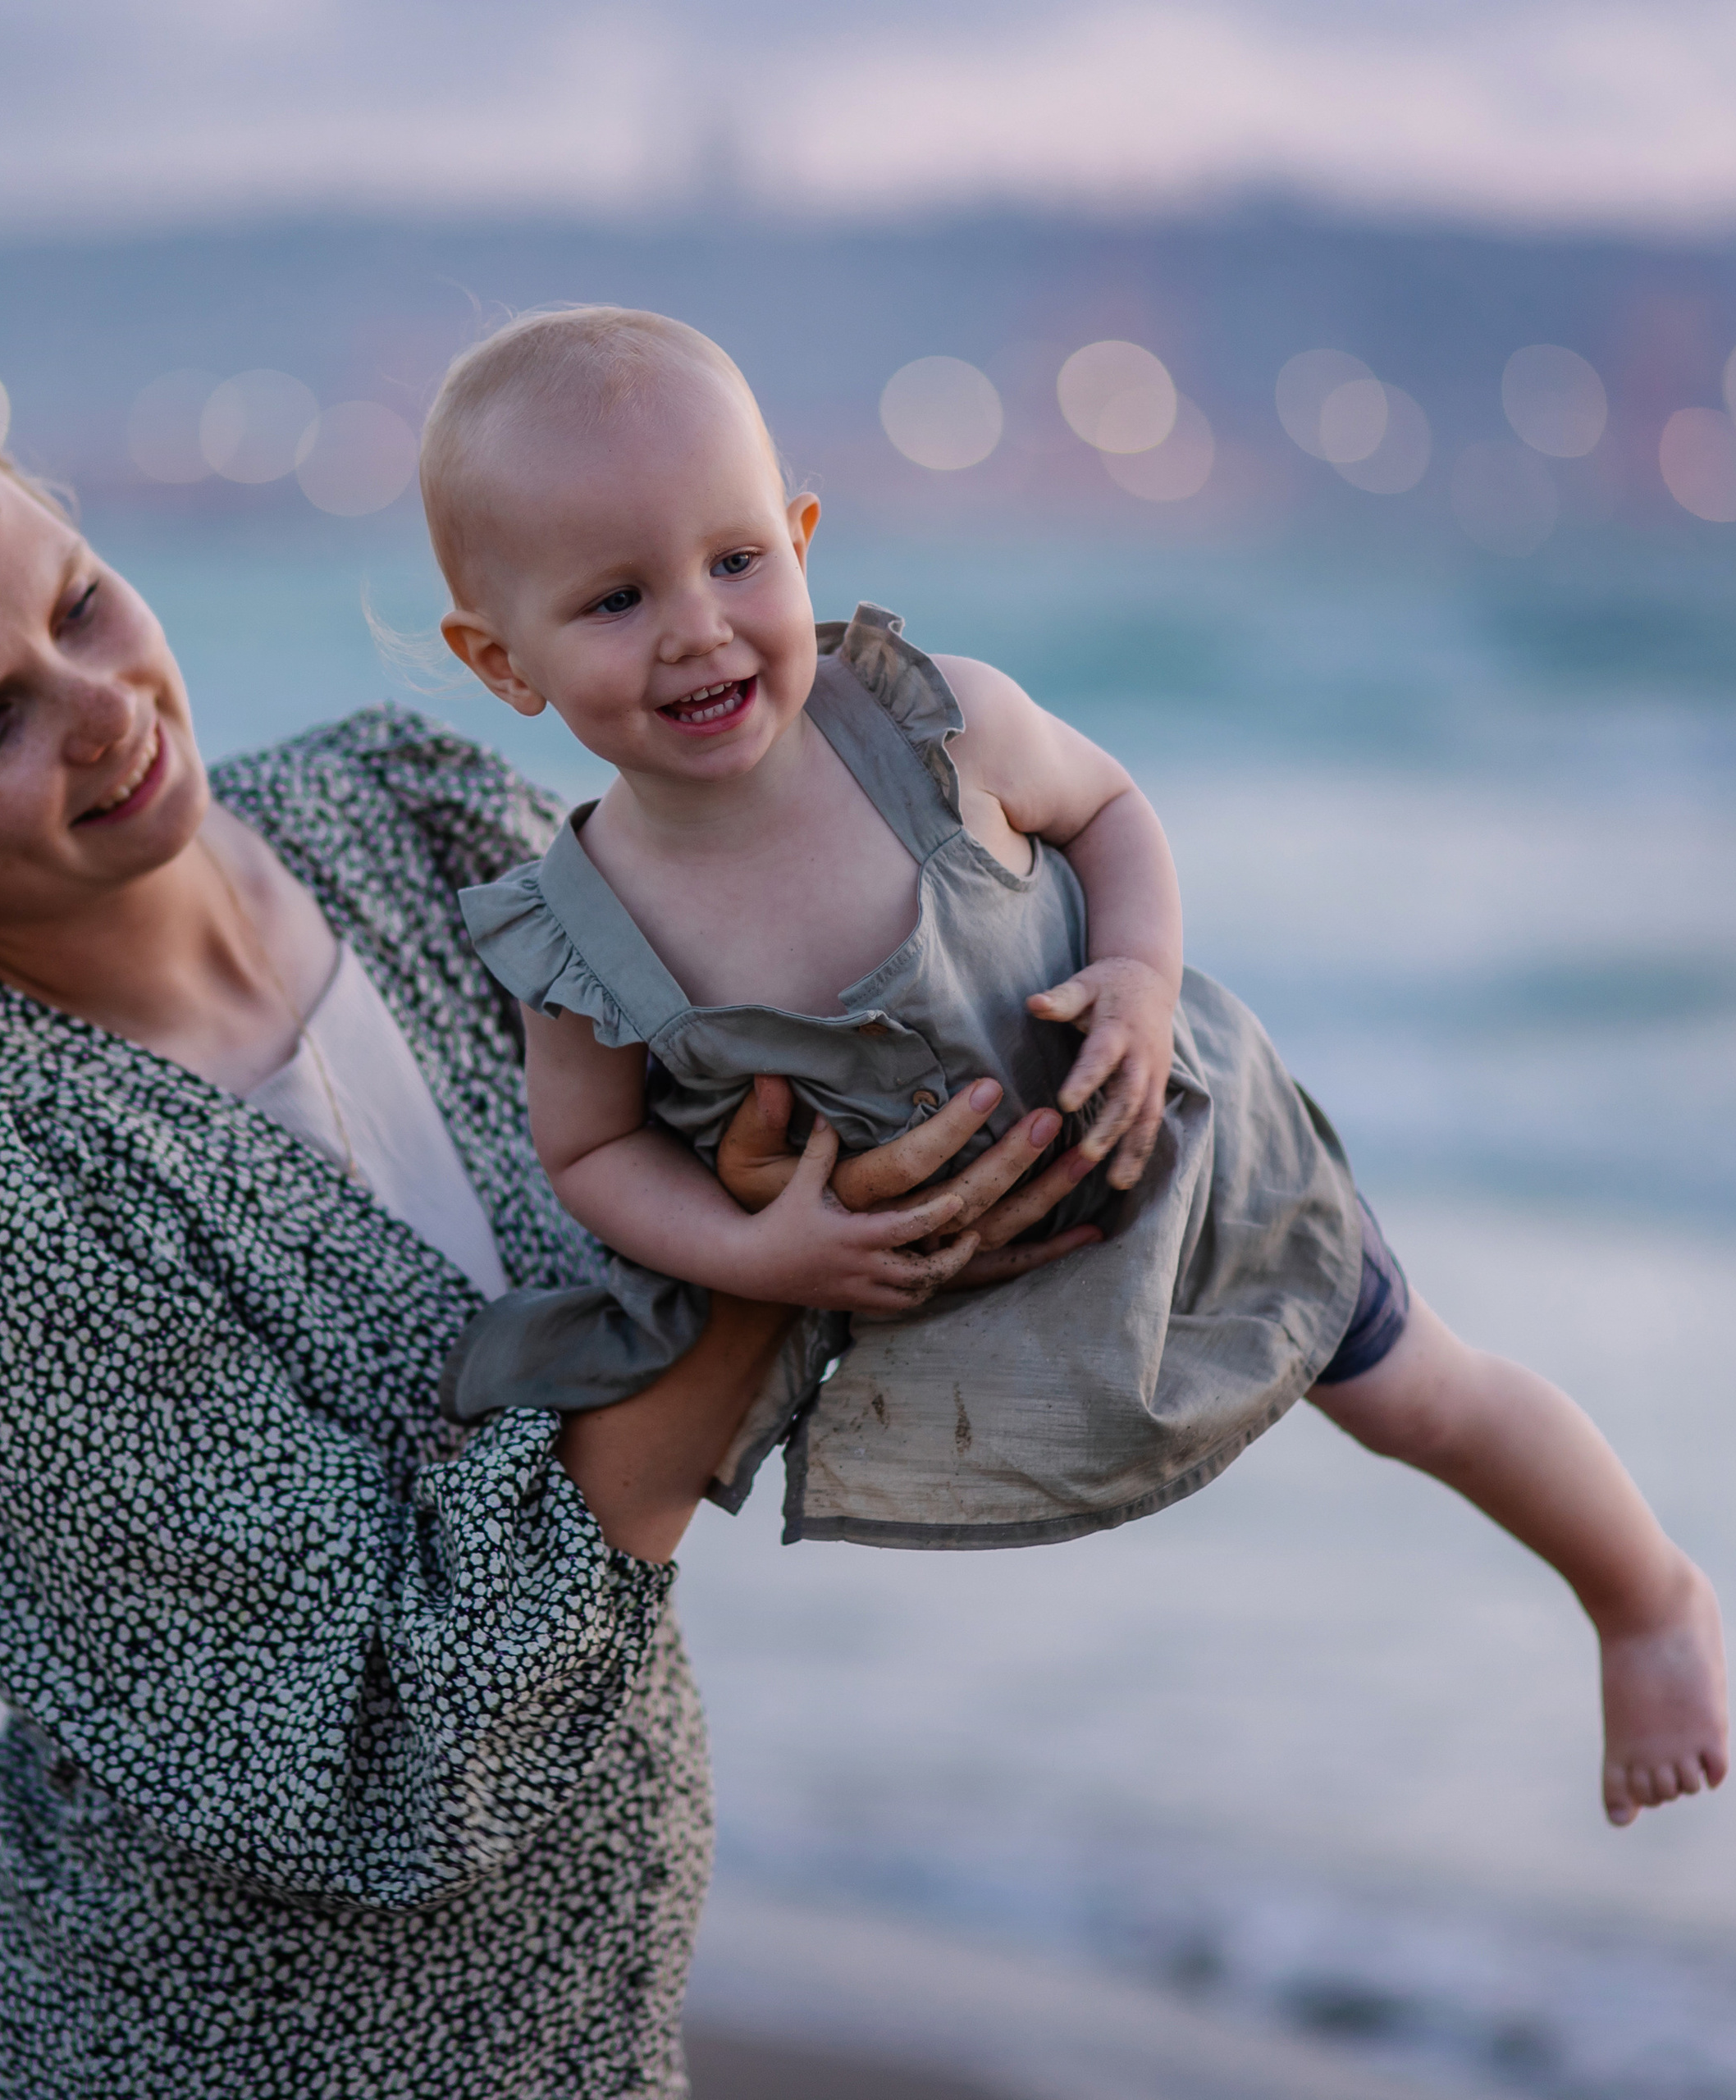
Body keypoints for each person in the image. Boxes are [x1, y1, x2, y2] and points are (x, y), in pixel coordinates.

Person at [0, 393, 1100, 2096]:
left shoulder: (399, 809)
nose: (106, 713)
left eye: (81, 604)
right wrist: (743, 1298)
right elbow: (374, 1748)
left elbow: (748, 1087)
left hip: (589, 2030)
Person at [422, 306, 1726, 1828]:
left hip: (1182, 1147)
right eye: (616, 597)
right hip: (957, 1274)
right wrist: (755, 1252)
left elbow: (1110, 811)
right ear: (499, 660)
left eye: (734, 561)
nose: (699, 627)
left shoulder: (934, 726)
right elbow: (592, 1158)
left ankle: (1647, 1599)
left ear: (801, 535)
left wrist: (1141, 975)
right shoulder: (582, 936)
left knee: (1415, 1391)